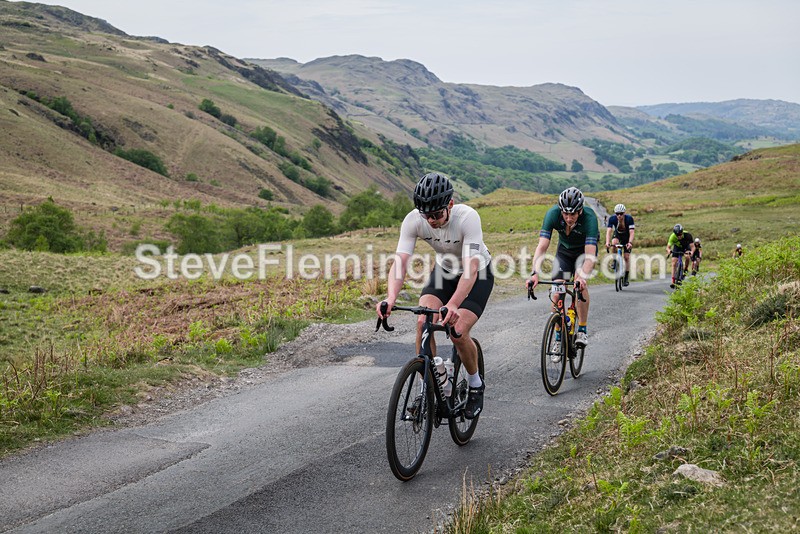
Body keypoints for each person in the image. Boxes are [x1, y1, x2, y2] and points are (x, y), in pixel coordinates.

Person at [377, 172, 494, 419]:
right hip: (444, 272)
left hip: (477, 274)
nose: (431, 220)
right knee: (423, 320)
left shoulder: (468, 218)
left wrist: (452, 305)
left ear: (450, 205)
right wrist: (390, 299)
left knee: (457, 329)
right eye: (426, 215)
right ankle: (433, 381)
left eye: (437, 215)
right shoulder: (413, 220)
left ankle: (475, 384)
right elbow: (400, 263)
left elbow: (471, 271)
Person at [528, 187, 599, 347]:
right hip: (564, 253)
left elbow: (590, 256)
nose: (568, 218)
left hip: (584, 253)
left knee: (580, 286)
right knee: (556, 291)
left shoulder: (589, 218)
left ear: (580, 210)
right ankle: (559, 337)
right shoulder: (552, 214)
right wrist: (534, 273)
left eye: (572, 214)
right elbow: (542, 247)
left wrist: (581, 276)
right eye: (565, 214)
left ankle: (582, 329)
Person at [605, 203, 635, 286]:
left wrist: (630, 242)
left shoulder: (629, 219)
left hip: (627, 237)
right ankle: (615, 260)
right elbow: (609, 231)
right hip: (618, 234)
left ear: (624, 213)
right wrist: (607, 242)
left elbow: (632, 232)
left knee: (626, 257)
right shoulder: (612, 219)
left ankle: (626, 277)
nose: (619, 216)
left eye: (621, 214)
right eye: (617, 214)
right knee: (614, 243)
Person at [666, 224, 695, 288]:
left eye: (680, 234)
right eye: (677, 235)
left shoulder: (688, 235)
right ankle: (673, 281)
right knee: (673, 262)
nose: (679, 236)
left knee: (687, 257)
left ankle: (686, 268)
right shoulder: (672, 236)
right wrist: (669, 251)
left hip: (686, 247)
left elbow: (693, 247)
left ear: (682, 232)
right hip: (677, 247)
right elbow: (668, 247)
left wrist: (691, 252)